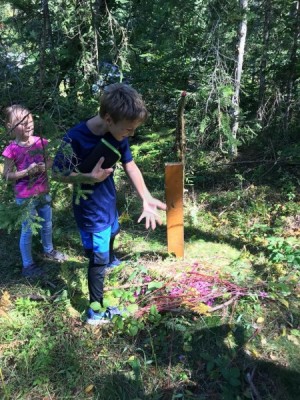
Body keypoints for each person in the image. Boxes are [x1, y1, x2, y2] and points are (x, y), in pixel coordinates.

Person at [53, 83, 166, 325]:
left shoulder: (118, 132)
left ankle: (108, 258)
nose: (131, 134)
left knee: (114, 229)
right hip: (89, 209)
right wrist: (87, 177)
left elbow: (130, 164)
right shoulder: (75, 137)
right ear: (108, 118)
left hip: (107, 201)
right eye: (129, 129)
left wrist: (145, 197)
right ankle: (95, 312)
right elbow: (56, 173)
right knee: (97, 258)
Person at [2, 105, 67, 278]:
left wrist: (44, 167)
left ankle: (49, 250)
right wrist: (26, 172)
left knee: (47, 223)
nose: (29, 125)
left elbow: (50, 161)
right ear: (10, 127)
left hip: (43, 192)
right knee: (27, 229)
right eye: (22, 123)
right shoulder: (11, 150)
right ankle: (27, 265)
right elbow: (6, 175)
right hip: (25, 197)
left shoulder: (41, 142)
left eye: (30, 120)